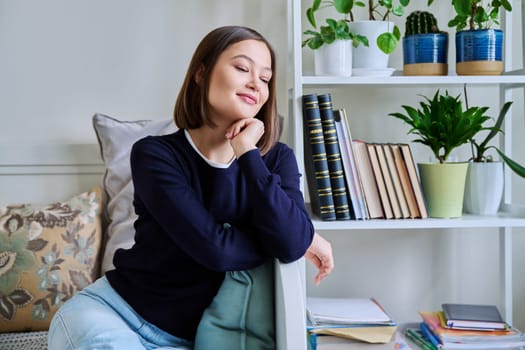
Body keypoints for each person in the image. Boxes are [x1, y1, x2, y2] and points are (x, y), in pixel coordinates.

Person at [48, 25, 334, 350]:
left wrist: (247, 153)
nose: (256, 83)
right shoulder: (155, 154)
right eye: (242, 68)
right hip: (114, 314)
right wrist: (289, 238)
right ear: (201, 73)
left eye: (266, 78)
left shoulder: (275, 159)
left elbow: (289, 241)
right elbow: (216, 250)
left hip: (197, 339)